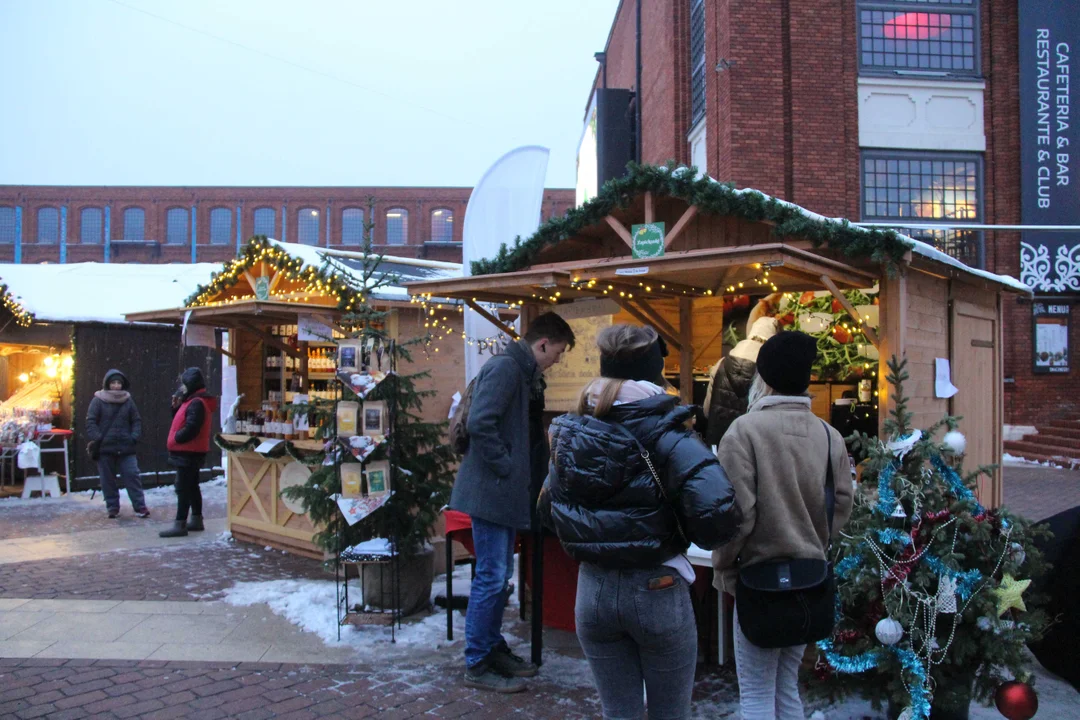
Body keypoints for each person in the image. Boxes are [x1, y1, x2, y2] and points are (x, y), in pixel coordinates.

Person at [539, 324, 742, 720]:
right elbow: (717, 520)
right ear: (656, 371)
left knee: (620, 714)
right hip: (657, 588)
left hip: (592, 590)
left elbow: (548, 511)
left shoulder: (573, 432)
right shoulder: (672, 437)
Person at [711, 331, 854, 720]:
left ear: (765, 377)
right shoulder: (830, 435)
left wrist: (722, 566)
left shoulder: (743, 431)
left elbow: (736, 516)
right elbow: (842, 504)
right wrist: (817, 542)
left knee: (756, 695)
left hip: (758, 582)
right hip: (810, 579)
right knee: (787, 687)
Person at [449, 311, 576, 693]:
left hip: (499, 491)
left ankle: (490, 648)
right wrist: (506, 467)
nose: (557, 361)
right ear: (541, 344)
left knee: (497, 575)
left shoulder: (519, 372)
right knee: (491, 576)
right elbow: (481, 423)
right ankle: (478, 661)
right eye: (556, 353)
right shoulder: (507, 370)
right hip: (491, 491)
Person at [160, 367, 218, 538]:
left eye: (184, 383)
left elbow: (192, 426)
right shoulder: (193, 401)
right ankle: (196, 519)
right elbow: (184, 420)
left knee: (183, 487)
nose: (182, 387)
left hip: (188, 451)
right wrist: (175, 408)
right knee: (191, 486)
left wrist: (177, 437)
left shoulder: (196, 402)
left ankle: (180, 523)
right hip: (190, 451)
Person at [703, 316, 779, 446]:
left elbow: (706, 410)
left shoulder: (721, 363)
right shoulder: (769, 372)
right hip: (749, 446)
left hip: (718, 443)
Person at [85, 369, 149, 519]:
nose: (116, 386)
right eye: (113, 382)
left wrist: (133, 437)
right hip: (105, 448)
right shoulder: (98, 400)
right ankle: (112, 507)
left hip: (126, 447)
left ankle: (140, 506)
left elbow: (136, 420)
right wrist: (98, 437)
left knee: (132, 476)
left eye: (118, 383)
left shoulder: (128, 400)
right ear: (107, 384)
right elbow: (91, 421)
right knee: (107, 480)